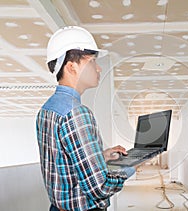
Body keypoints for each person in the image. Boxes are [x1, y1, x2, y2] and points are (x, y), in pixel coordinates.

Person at [36, 26, 135, 211]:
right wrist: (132, 166)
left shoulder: (46, 110)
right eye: (92, 62)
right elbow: (100, 187)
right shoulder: (77, 113)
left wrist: (100, 156)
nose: (98, 68)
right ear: (71, 67)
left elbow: (64, 163)